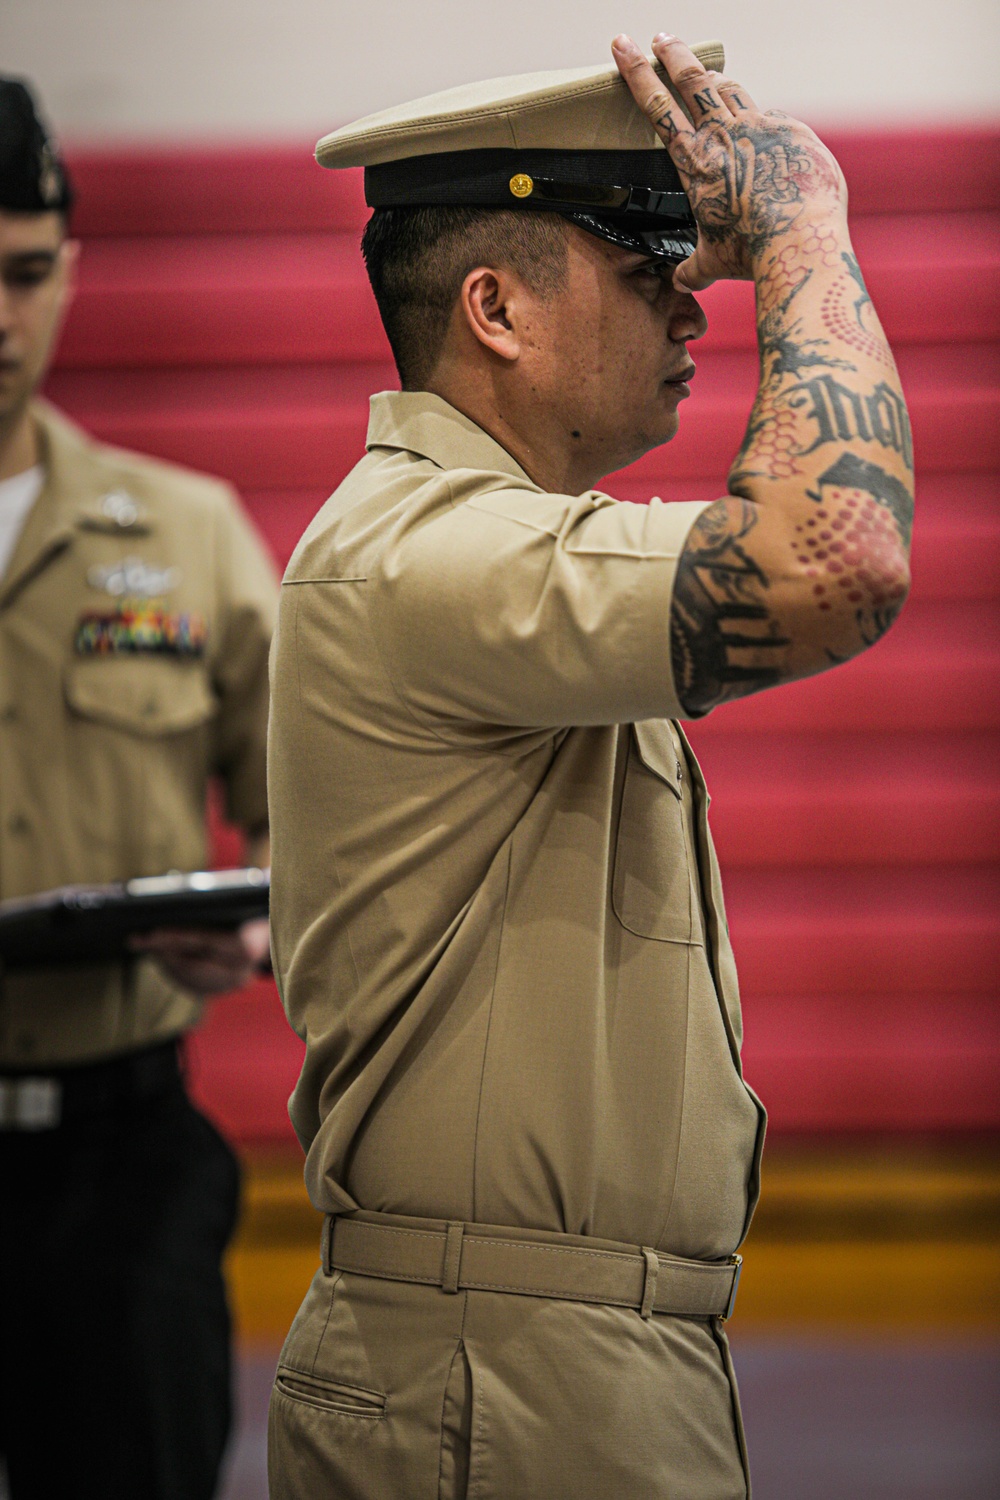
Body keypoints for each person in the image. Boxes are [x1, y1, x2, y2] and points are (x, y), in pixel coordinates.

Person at [267, 33, 913, 1500]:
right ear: (493, 307)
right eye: (643, 262)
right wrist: (806, 225)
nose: (690, 300)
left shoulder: (490, 545)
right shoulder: (428, 552)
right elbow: (840, 560)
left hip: (557, 1358)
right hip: (499, 1374)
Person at [0, 79, 278, 1500]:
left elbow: (318, 812)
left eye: (25, 273)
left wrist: (262, 930)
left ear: (69, 274)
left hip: (119, 1168)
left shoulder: (188, 536)